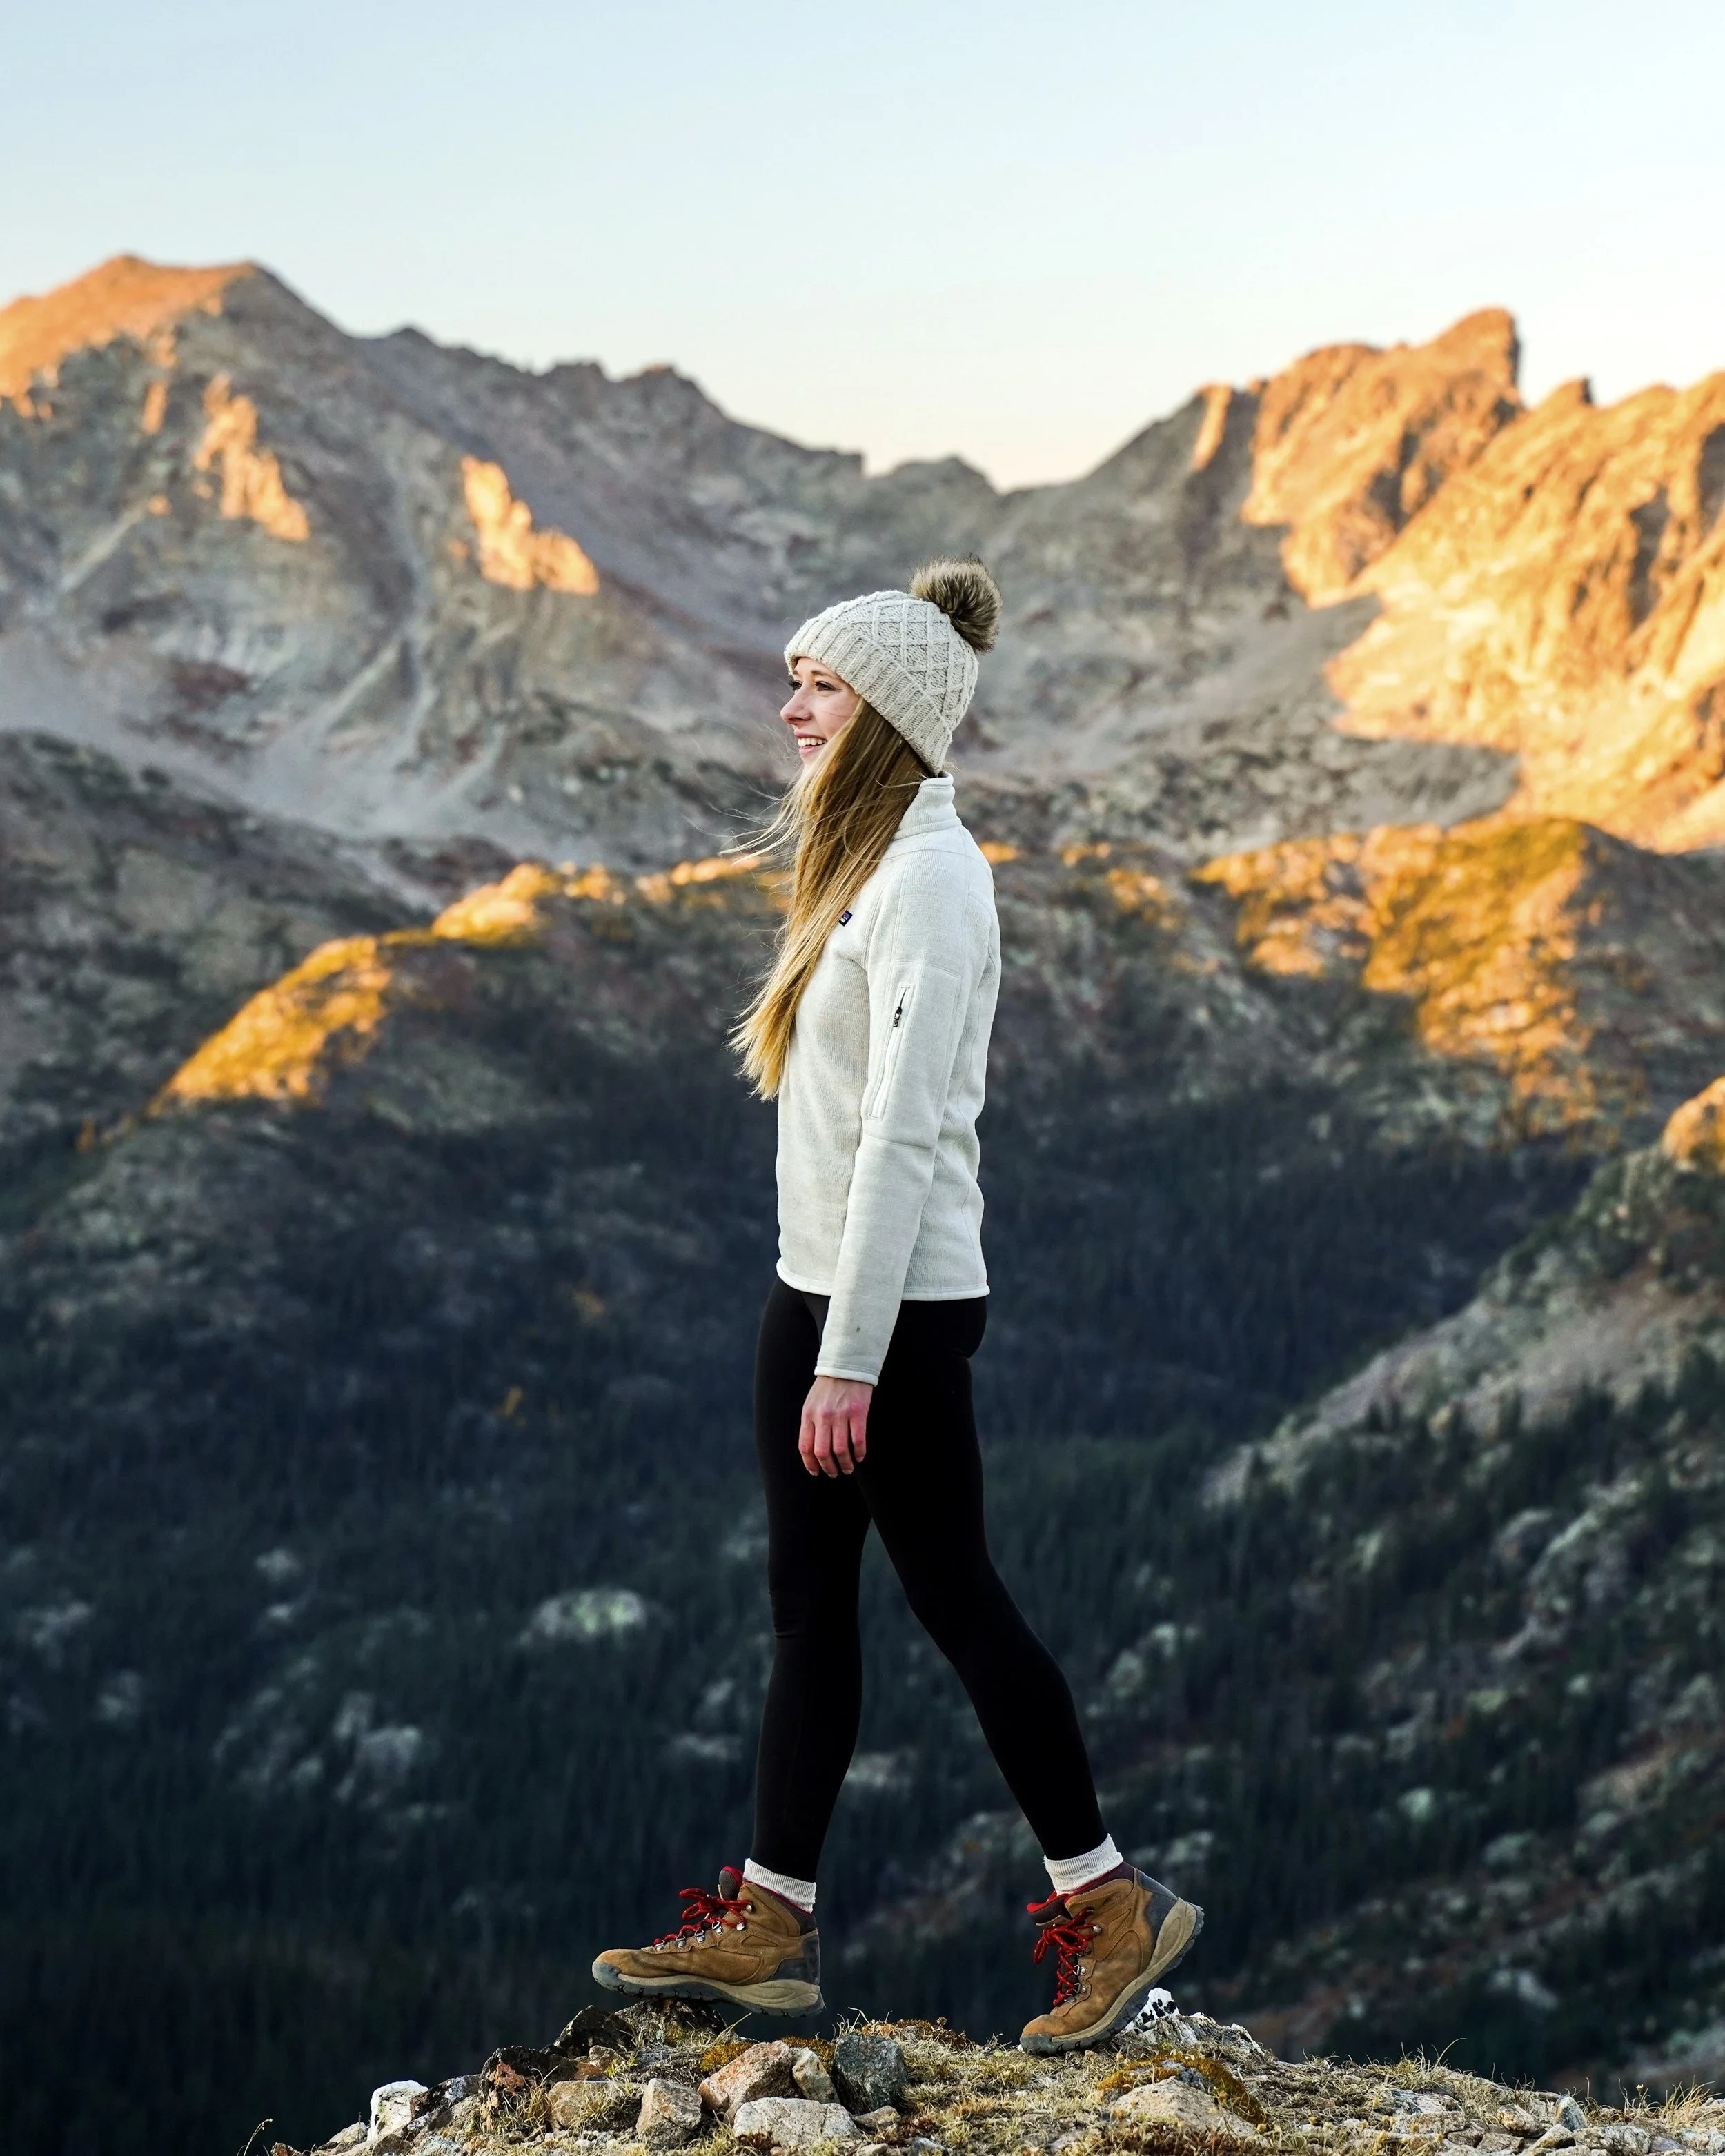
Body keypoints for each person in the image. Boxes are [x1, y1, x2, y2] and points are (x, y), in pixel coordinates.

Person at [593, 560, 1201, 2052]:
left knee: (956, 1599)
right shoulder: (860, 859)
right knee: (809, 1611)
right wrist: (813, 1332)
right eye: (795, 680)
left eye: (820, 685)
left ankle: (1112, 1903)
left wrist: (847, 1362)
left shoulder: (933, 880)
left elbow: (902, 1140)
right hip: (814, 1293)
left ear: (887, 711)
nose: (789, 707)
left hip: (894, 1316)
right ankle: (771, 1922)